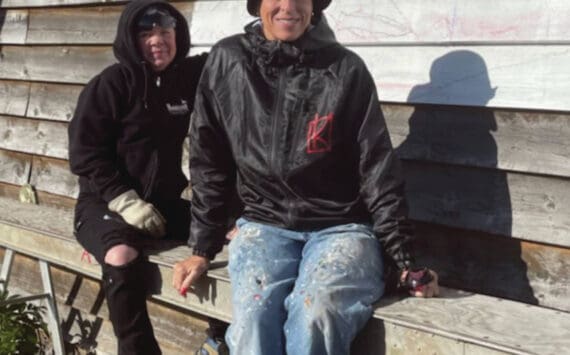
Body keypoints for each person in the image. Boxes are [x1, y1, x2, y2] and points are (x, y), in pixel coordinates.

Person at [172, 0, 440, 354]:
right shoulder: (229, 60)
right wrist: (202, 248)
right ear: (257, 5)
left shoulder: (345, 70)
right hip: (264, 223)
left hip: (341, 226)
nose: (288, 7)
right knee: (254, 314)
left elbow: (376, 167)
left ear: (314, 7)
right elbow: (208, 159)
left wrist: (405, 261)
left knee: (315, 312)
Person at [68, 0, 211, 353]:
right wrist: (125, 202)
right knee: (119, 254)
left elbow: (227, 55)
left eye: (165, 31)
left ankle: (220, 337)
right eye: (146, 33)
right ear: (131, 40)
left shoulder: (184, 79)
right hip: (106, 204)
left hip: (161, 206)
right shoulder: (112, 83)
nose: (157, 40)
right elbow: (84, 152)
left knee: (227, 230)